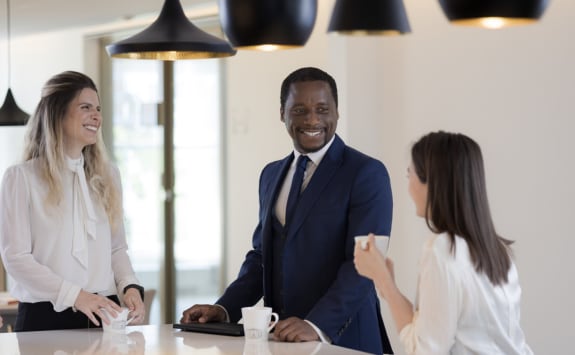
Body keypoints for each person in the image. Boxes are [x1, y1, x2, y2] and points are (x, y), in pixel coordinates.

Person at [181, 67, 394, 354]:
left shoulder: (366, 173)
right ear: (282, 113)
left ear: (337, 112)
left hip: (344, 339)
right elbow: (261, 258)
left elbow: (364, 266)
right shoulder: (270, 175)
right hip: (282, 340)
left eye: (322, 109)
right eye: (300, 110)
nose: (312, 120)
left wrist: (316, 324)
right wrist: (224, 308)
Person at [354, 131, 533, 354]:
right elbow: (428, 330)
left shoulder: (442, 249)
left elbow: (424, 350)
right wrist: (385, 283)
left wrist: (383, 280)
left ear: (432, 182)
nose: (409, 185)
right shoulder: (498, 250)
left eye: (410, 174)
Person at [0, 71, 145, 331]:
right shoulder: (21, 178)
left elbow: (116, 249)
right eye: (85, 107)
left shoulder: (109, 176)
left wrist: (129, 286)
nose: (96, 116)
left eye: (98, 108)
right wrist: (76, 296)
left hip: (104, 314)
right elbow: (16, 258)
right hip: (44, 316)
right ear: (57, 113)